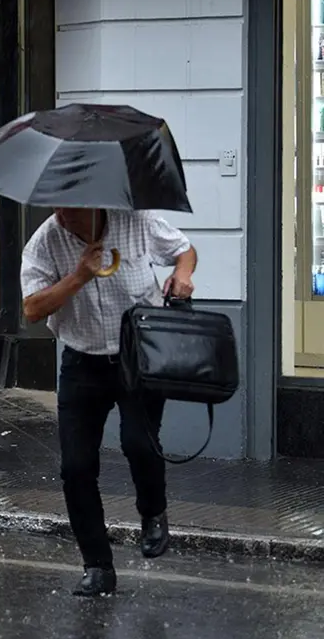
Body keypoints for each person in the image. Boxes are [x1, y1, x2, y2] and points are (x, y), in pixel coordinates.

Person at [20, 208, 197, 596]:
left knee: (139, 442)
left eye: (71, 206)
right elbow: (32, 309)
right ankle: (97, 565)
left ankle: (152, 511)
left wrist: (182, 274)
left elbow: (185, 250)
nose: (62, 214)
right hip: (82, 362)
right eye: (57, 205)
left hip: (138, 357)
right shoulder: (45, 241)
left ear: (95, 201)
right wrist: (79, 276)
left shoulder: (136, 222)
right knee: (76, 467)